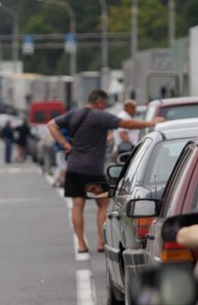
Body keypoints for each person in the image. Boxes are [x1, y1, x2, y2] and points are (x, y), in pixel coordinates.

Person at [47, 89, 165, 254]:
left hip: (73, 168)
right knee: (102, 203)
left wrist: (66, 145)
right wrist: (151, 123)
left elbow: (51, 125)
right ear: (100, 102)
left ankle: (81, 244)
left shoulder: (74, 114)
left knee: (77, 204)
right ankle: (101, 241)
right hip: (92, 170)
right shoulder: (100, 116)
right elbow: (127, 124)